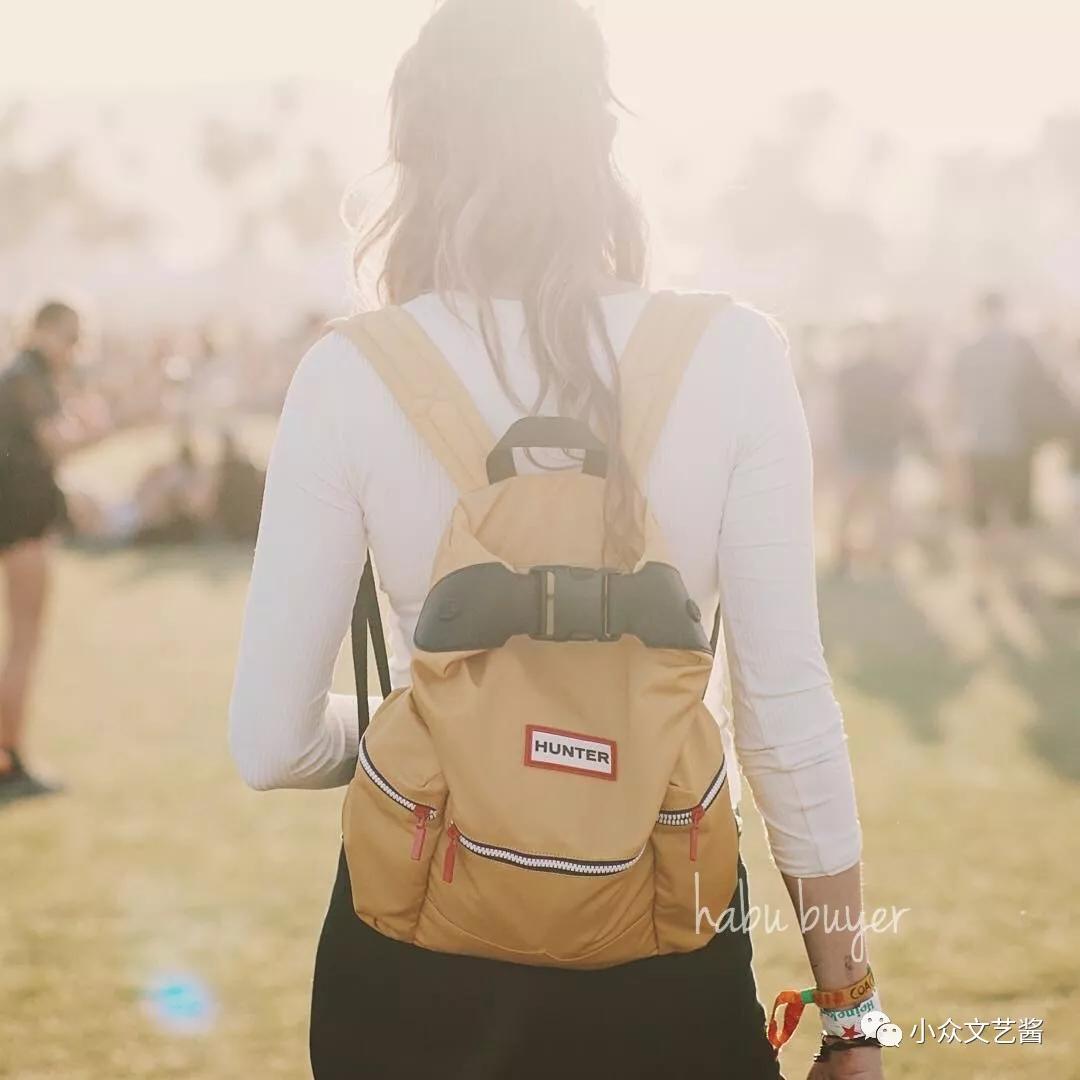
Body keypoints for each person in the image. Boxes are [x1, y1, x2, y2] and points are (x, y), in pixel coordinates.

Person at [229, 3, 880, 1078]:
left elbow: (269, 741)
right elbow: (787, 723)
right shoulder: (733, 356)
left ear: (415, 148)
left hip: (415, 963)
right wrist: (852, 1017)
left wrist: (469, 733)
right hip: (665, 940)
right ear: (600, 141)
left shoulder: (349, 375)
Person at [0, 300, 103, 804]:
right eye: (72, 337)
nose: (75, 350)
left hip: (18, 521)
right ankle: (7, 757)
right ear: (44, 330)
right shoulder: (28, 376)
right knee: (23, 641)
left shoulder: (20, 373)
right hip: (21, 527)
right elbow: (55, 443)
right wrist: (97, 426)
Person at [949, 292, 1054, 602]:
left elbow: (950, 399)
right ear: (1004, 311)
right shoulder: (1022, 348)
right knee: (1020, 518)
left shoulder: (965, 350)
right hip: (1017, 444)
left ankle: (979, 587)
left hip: (977, 443)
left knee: (979, 520)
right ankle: (1021, 583)